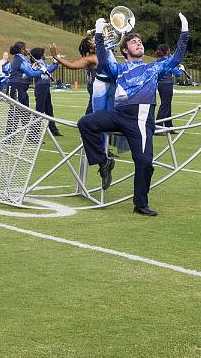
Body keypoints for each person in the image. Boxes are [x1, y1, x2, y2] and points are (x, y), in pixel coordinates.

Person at [77, 13, 190, 217]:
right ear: (125, 50)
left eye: (140, 42)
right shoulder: (118, 68)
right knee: (85, 123)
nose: (139, 44)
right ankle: (103, 162)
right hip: (119, 115)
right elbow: (102, 57)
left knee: (145, 162)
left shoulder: (154, 67)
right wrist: (99, 34)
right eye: (134, 42)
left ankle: (140, 203)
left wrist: (184, 32)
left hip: (141, 119)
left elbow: (177, 57)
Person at [29, 47, 61, 136]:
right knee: (39, 110)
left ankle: (53, 129)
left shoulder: (42, 62)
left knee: (49, 110)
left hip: (46, 87)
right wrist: (56, 62)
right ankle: (34, 132)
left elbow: (50, 68)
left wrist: (55, 62)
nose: (45, 55)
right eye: (44, 53)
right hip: (40, 88)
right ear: (40, 55)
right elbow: (48, 70)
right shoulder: (36, 64)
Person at [154, 44, 183, 129]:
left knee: (167, 105)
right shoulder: (168, 61)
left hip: (160, 85)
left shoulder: (157, 61)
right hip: (167, 85)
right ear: (166, 52)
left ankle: (169, 126)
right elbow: (178, 74)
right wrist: (181, 69)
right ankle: (158, 125)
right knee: (165, 105)